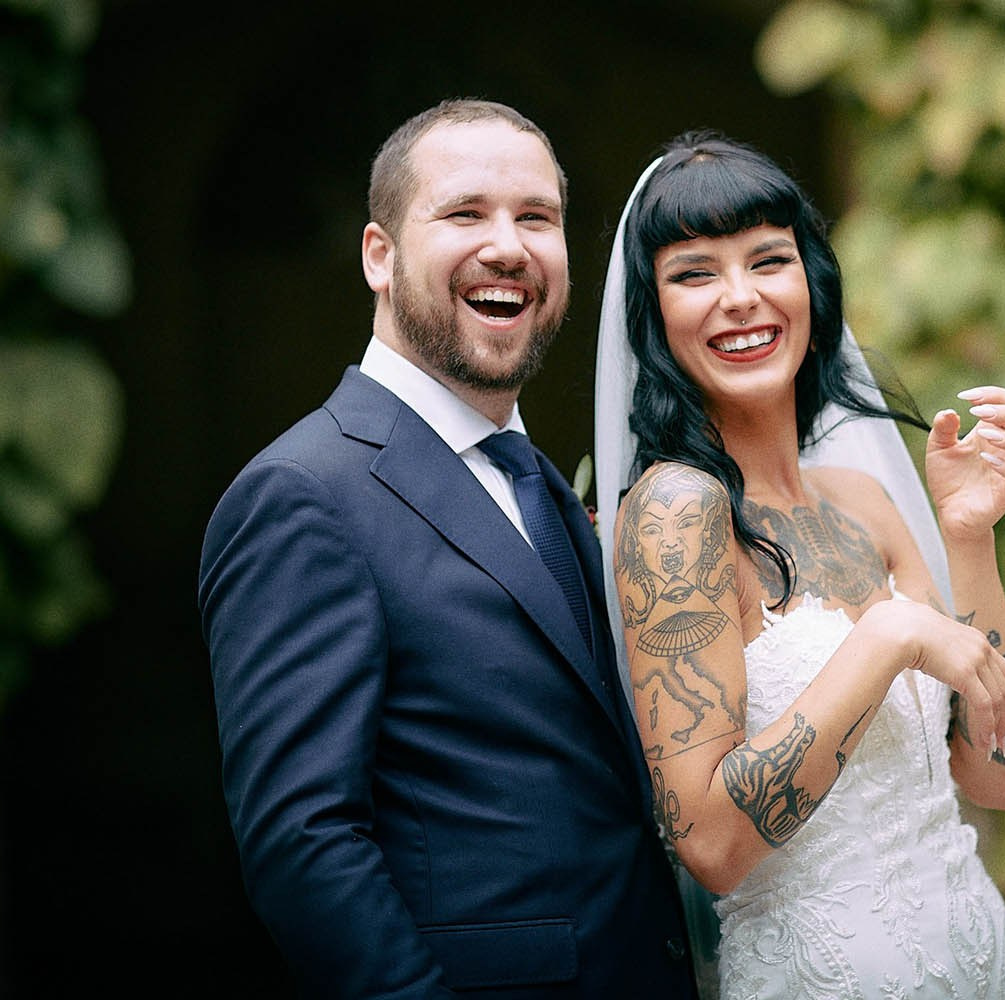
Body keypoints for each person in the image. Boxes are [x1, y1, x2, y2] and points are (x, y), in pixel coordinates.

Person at [198, 99, 698, 999]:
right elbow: (303, 843)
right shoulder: (303, 495)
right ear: (378, 257)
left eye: (535, 218)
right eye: (464, 212)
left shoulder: (540, 481)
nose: (507, 245)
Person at [593, 131, 1005, 999]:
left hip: (980, 961)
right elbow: (713, 846)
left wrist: (968, 538)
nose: (739, 298)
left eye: (769, 260)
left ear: (810, 283)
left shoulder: (864, 504)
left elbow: (1002, 774)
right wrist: (885, 637)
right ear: (653, 317)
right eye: (694, 273)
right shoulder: (677, 515)